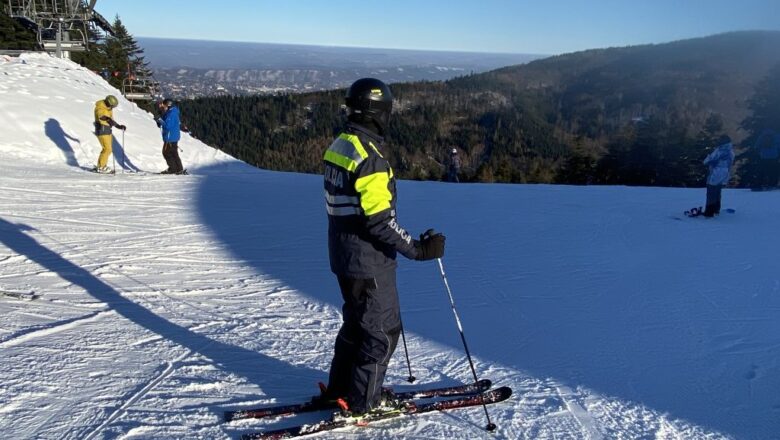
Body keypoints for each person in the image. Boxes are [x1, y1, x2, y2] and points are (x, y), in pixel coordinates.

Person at [321, 78, 446, 418]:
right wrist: (419, 249)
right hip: (368, 261)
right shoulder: (370, 161)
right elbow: (379, 221)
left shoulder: (341, 146)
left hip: (344, 256)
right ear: (378, 114)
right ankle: (364, 403)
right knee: (382, 334)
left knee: (356, 326)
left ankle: (340, 390)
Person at [702, 135, 735, 217]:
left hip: (716, 172)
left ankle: (709, 212)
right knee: (717, 190)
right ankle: (716, 209)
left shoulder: (719, 150)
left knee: (711, 191)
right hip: (725, 172)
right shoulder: (730, 151)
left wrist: (708, 159)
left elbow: (707, 161)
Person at [93, 95, 125, 173]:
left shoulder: (108, 108)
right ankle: (101, 167)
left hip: (107, 130)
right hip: (102, 129)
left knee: (106, 149)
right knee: (107, 149)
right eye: (112, 106)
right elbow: (101, 116)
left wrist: (118, 126)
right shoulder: (100, 106)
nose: (112, 107)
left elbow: (111, 120)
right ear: (108, 102)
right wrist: (107, 119)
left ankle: (100, 166)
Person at [156, 98, 185, 174]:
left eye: (164, 105)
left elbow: (168, 125)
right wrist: (160, 119)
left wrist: (160, 120)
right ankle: (179, 169)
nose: (163, 107)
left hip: (170, 137)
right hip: (173, 136)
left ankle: (173, 169)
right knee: (174, 153)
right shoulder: (172, 111)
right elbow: (165, 117)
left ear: (168, 106)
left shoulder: (171, 113)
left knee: (166, 152)